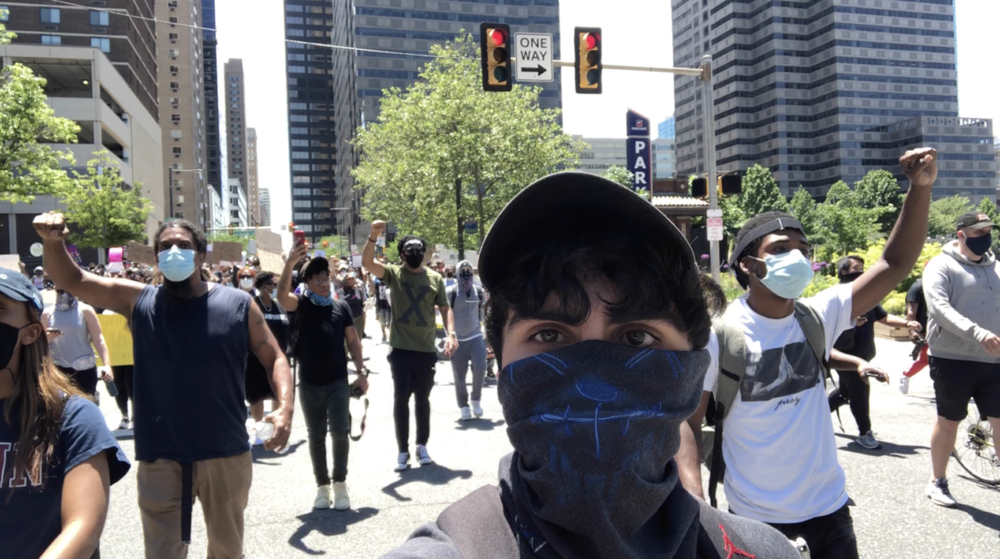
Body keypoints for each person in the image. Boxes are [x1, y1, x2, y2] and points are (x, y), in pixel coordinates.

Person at [382, 172, 802, 559]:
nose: (591, 373)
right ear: (500, 359)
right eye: (549, 334)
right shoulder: (457, 549)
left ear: (693, 369)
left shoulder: (762, 552)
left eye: (636, 337)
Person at [678, 148, 937, 558]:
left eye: (802, 247)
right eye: (780, 249)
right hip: (754, 518)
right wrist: (696, 501)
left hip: (830, 509)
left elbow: (895, 262)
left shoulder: (819, 314)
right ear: (748, 265)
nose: (796, 257)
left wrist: (918, 189)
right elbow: (687, 424)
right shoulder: (718, 336)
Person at [34, 213, 294, 559]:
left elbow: (274, 357)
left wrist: (285, 408)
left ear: (201, 256)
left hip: (226, 451)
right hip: (161, 456)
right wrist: (53, 242)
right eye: (165, 247)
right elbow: (72, 278)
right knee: (162, 554)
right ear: (156, 257)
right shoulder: (137, 300)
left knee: (228, 551)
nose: (174, 252)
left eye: (183, 246)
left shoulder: (237, 304)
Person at [0, 268, 131, 559]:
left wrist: (106, 363)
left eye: (0, 308)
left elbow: (82, 528)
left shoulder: (73, 417)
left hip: (80, 371)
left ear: (31, 333)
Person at [279, 247, 368, 510]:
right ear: (306, 282)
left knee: (340, 431)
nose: (321, 281)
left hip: (338, 381)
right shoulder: (301, 304)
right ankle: (322, 487)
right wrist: (289, 264)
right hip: (308, 383)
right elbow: (282, 296)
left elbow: (353, 341)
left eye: (325, 276)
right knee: (316, 435)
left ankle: (340, 483)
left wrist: (361, 373)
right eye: (315, 277)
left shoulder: (340, 307)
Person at [922, 210, 1000, 508]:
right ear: (961, 234)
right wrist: (977, 333)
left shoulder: (997, 268)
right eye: (978, 232)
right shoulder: (940, 266)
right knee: (949, 419)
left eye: (988, 231)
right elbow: (939, 308)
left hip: (994, 360)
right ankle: (937, 481)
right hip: (952, 358)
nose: (985, 237)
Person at [363, 228, 456, 472]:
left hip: (425, 350)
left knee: (423, 399)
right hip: (401, 349)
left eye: (418, 250)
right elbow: (366, 262)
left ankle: (421, 445)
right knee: (401, 398)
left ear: (424, 253)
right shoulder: (394, 273)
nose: (414, 254)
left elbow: (445, 308)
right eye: (409, 251)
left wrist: (451, 334)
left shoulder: (435, 278)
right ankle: (402, 451)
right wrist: (373, 236)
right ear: (402, 254)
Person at [828, 255, 919, 449]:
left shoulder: (866, 295)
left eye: (862, 267)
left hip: (864, 353)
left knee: (845, 392)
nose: (861, 272)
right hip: (844, 354)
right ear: (844, 272)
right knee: (860, 390)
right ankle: (865, 432)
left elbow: (883, 317)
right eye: (856, 268)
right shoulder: (836, 296)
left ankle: (813, 419)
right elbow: (825, 323)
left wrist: (906, 322)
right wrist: (850, 321)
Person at [43, 289, 112, 398]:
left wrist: (107, 365)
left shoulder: (86, 310)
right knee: (62, 408)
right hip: (58, 371)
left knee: (86, 405)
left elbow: (98, 339)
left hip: (84, 369)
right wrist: (47, 337)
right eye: (60, 290)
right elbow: (40, 344)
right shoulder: (47, 313)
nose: (64, 294)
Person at [246, 271, 289, 445]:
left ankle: (272, 428)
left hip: (278, 359)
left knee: (277, 394)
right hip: (255, 359)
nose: (276, 287)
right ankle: (259, 428)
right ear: (264, 287)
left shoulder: (279, 306)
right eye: (274, 284)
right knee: (256, 396)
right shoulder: (252, 305)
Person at [447, 260, 487, 421]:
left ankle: (476, 399)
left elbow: (484, 312)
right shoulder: (451, 291)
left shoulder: (478, 290)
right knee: (459, 375)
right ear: (457, 272)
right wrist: (449, 336)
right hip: (458, 339)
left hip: (476, 335)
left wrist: (487, 332)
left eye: (468, 269)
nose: (465, 272)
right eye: (462, 269)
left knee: (480, 367)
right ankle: (463, 405)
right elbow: (446, 314)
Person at [899, 265, 930, 394]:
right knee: (925, 359)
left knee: (932, 358)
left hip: (939, 328)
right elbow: (911, 310)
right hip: (924, 328)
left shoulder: (942, 285)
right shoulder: (917, 287)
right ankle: (905, 376)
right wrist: (913, 330)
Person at [338, 271, 367, 340]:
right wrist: (351, 294)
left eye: (352, 279)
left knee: (358, 340)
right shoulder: (341, 291)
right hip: (347, 320)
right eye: (348, 279)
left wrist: (365, 306)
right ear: (345, 280)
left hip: (359, 318)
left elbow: (361, 302)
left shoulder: (357, 290)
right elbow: (343, 301)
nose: (350, 281)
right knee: (346, 342)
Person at [374, 274, 392, 343]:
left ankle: (390, 335)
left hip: (388, 305)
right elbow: (375, 294)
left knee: (389, 321)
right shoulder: (377, 283)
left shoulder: (388, 282)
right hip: (380, 305)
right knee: (382, 322)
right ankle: (384, 333)